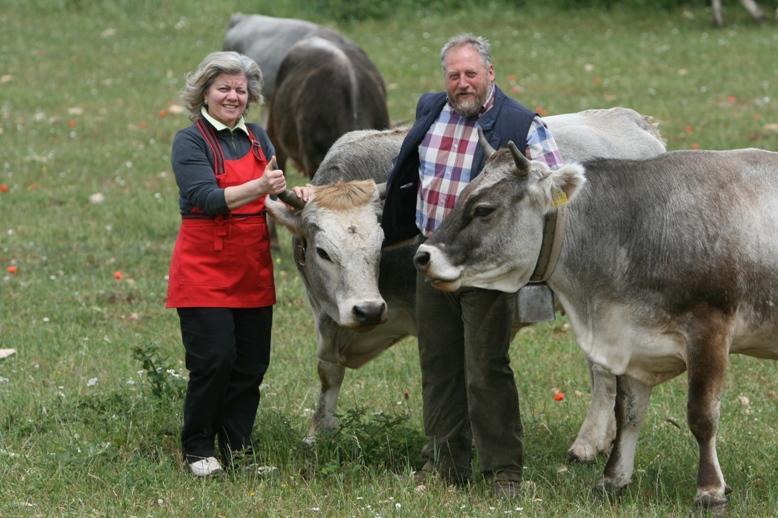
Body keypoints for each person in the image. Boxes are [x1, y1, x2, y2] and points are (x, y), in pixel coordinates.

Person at [381, 34, 563, 498]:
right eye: (454, 76)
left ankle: (503, 472)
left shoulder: (522, 124)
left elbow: (551, 189)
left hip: (484, 264)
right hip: (432, 256)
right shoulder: (431, 110)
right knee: (437, 362)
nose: (462, 84)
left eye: (471, 75)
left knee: (485, 366)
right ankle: (443, 465)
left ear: (490, 74)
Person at [166, 51, 307, 477]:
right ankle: (196, 448)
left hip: (251, 268)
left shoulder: (258, 138)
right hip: (204, 267)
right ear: (204, 92)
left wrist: (303, 199)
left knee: (250, 364)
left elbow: (276, 193)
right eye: (223, 88)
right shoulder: (189, 141)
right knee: (214, 360)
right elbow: (207, 199)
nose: (232, 96)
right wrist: (261, 186)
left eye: (240, 90)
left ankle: (237, 450)